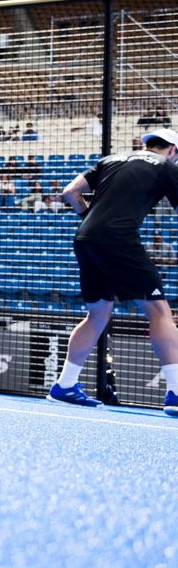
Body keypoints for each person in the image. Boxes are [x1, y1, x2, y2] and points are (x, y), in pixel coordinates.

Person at [49, 129, 178, 415]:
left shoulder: (111, 159)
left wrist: (90, 218)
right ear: (172, 150)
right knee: (159, 311)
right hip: (118, 238)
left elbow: (70, 192)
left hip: (85, 238)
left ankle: (64, 386)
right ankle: (176, 393)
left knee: (97, 313)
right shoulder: (167, 167)